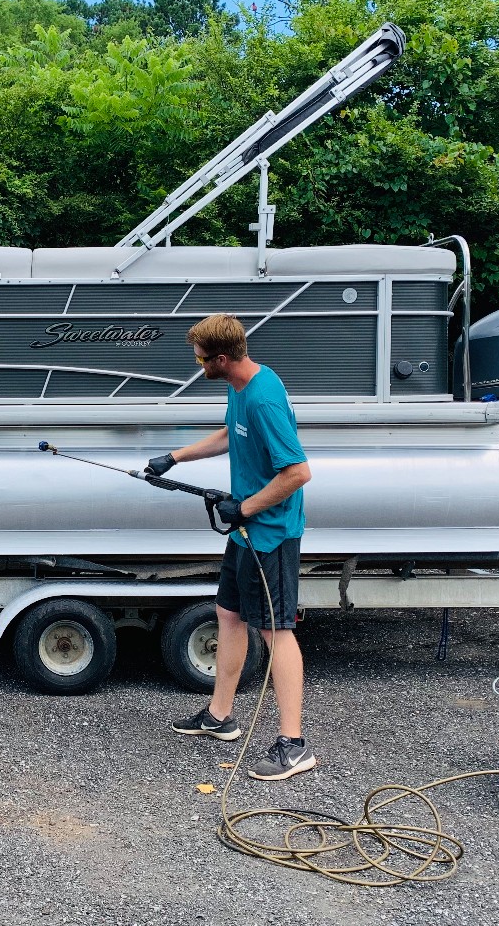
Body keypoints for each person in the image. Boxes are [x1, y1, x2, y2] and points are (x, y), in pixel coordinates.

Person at [146, 314, 315, 781]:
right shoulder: (238, 388)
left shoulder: (263, 400)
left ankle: (294, 744)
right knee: (228, 614)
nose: (197, 366)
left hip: (272, 533)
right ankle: (221, 717)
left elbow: (297, 472)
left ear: (222, 359)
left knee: (277, 632)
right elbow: (227, 436)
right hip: (247, 532)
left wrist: (247, 508)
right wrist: (173, 458)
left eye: (201, 360)